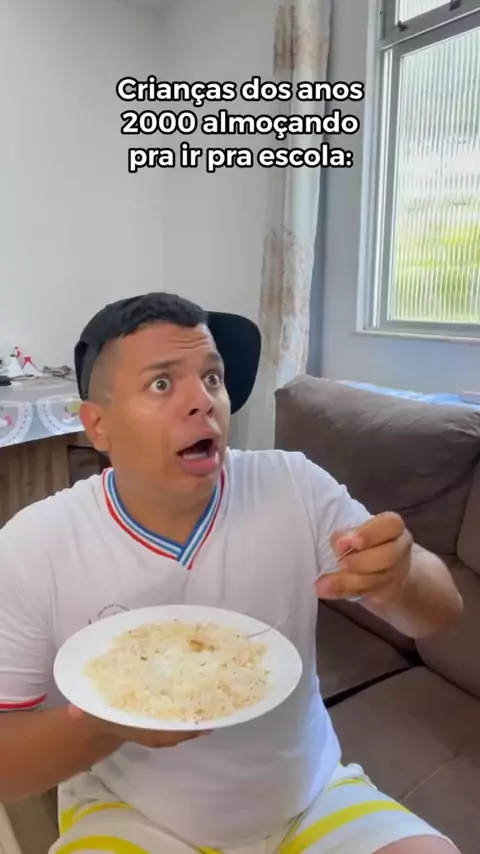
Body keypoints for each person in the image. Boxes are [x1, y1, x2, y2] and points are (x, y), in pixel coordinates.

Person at [0, 293, 462, 854]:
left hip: (311, 798)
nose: (203, 401)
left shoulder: (295, 485)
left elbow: (441, 614)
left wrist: (402, 575)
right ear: (98, 425)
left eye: (212, 378)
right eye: (162, 384)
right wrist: (105, 726)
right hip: (131, 816)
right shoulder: (34, 545)